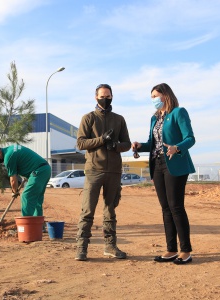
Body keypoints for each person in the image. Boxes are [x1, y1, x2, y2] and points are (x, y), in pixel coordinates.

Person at [132, 83, 195, 265]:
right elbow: (153, 143)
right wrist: (140, 146)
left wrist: (177, 148)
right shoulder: (155, 118)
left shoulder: (178, 112)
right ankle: (171, 249)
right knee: (165, 208)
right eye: (151, 97)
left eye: (156, 96)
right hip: (157, 164)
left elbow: (190, 138)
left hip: (175, 163)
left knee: (176, 206)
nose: (153, 100)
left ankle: (186, 250)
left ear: (165, 95)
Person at [75, 84, 131, 261]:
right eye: (102, 96)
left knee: (110, 210)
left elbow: (127, 144)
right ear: (95, 97)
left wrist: (115, 145)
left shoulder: (119, 119)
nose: (105, 99)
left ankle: (110, 246)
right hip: (94, 171)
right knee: (88, 210)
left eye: (108, 96)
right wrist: (101, 140)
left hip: (114, 171)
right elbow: (81, 143)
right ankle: (81, 248)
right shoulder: (88, 118)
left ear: (112, 97)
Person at [0, 144, 51, 217]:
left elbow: (13, 180)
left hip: (38, 172)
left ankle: (27, 224)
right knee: (36, 198)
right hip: (45, 169)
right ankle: (38, 225)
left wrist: (14, 191)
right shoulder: (10, 149)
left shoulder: (8, 157)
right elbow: (24, 161)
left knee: (26, 196)